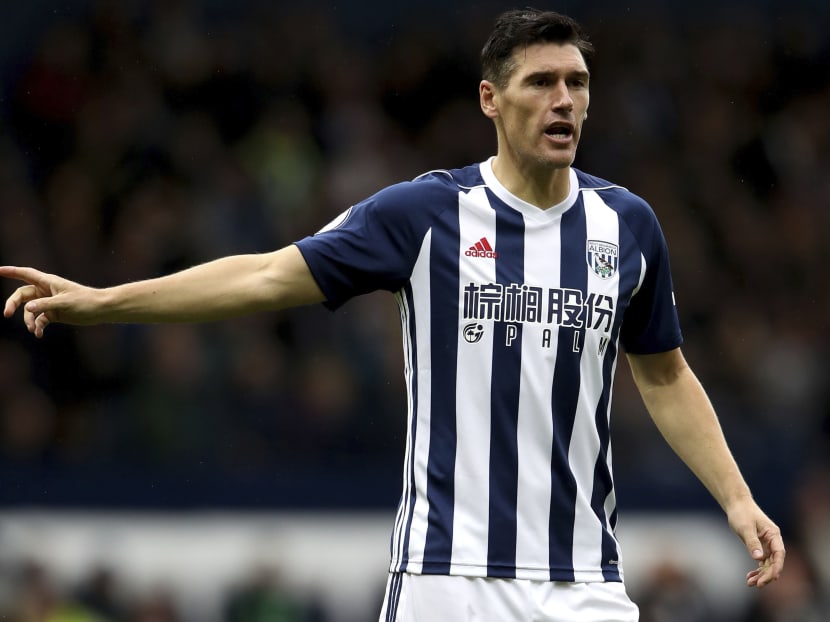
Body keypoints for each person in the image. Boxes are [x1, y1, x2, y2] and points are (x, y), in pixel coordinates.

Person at [1, 8, 784, 622]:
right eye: (541, 82)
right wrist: (107, 304)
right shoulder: (426, 214)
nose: (564, 101)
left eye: (577, 83)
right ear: (491, 98)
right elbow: (267, 275)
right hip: (446, 577)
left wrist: (737, 497)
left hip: (582, 579)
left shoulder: (628, 226)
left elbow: (666, 374)